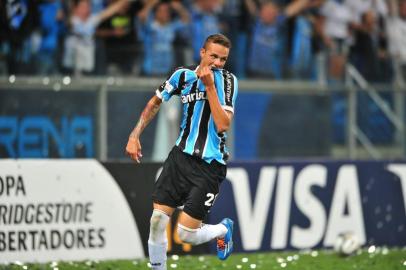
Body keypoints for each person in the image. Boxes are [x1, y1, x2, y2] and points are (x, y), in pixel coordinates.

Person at [125, 33, 238, 270]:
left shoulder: (228, 81)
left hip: (209, 165)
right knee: (157, 220)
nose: (218, 63)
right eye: (214, 56)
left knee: (186, 234)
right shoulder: (182, 75)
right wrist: (135, 135)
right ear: (203, 53)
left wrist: (209, 88)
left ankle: (223, 229)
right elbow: (155, 102)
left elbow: (222, 124)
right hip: (180, 158)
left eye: (223, 59)